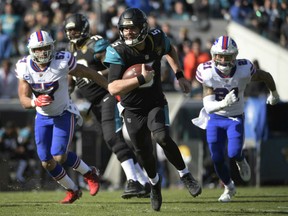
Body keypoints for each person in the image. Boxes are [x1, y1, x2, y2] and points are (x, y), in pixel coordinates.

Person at [104, 8, 202, 211]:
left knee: (162, 137)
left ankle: (185, 175)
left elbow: (170, 50)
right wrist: (140, 79)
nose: (129, 32)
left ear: (143, 28)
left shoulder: (156, 38)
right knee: (143, 152)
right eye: (125, 28)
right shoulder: (118, 50)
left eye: (133, 28)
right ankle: (155, 185)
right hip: (131, 109)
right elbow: (112, 87)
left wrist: (179, 74)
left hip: (155, 102)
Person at [15, 30, 108, 204]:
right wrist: (35, 103)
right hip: (42, 116)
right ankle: (72, 189)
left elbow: (90, 73)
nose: (42, 53)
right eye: (38, 49)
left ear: (52, 47)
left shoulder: (62, 60)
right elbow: (23, 100)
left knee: (59, 156)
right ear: (31, 50)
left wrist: (111, 88)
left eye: (45, 48)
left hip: (64, 112)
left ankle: (89, 173)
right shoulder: (24, 66)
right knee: (46, 162)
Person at [63, 13, 150, 199]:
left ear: (85, 29)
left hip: (108, 95)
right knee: (114, 141)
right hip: (94, 103)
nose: (72, 33)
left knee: (112, 138)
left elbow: (115, 67)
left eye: (75, 29)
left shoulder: (95, 43)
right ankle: (143, 181)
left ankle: (132, 181)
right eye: (69, 30)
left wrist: (92, 74)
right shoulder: (70, 49)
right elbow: (71, 79)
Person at [193, 35, 280, 202]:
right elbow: (208, 104)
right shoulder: (207, 71)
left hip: (235, 117)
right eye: (220, 56)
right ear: (214, 55)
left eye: (227, 56)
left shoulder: (243, 69)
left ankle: (240, 159)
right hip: (215, 118)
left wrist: (274, 93)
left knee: (233, 152)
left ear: (235, 56)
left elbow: (266, 76)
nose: (224, 60)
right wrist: (223, 103)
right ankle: (228, 187)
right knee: (217, 158)